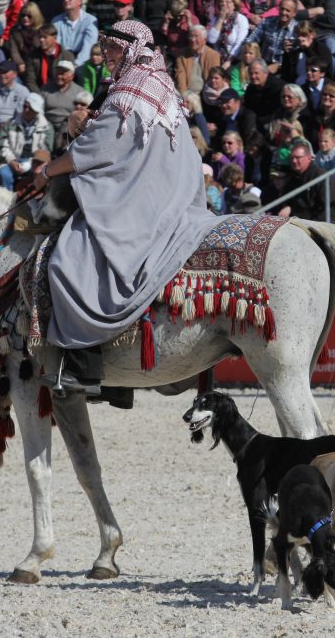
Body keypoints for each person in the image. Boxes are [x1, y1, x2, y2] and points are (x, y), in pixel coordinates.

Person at [31, 21, 220, 395]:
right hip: (173, 195)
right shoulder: (160, 86)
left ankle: (81, 367)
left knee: (68, 260)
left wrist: (47, 170)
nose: (107, 57)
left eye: (113, 49)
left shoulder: (130, 92)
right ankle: (119, 377)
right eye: (106, 49)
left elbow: (98, 151)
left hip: (146, 201)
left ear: (132, 48)